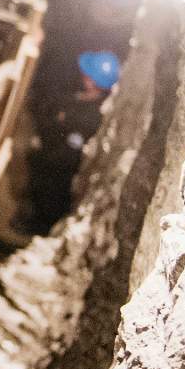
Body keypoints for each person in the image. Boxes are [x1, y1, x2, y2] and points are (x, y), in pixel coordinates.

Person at [21, 50, 120, 233]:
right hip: (51, 155)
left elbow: (68, 151)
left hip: (58, 168)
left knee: (48, 194)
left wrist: (44, 153)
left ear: (94, 81)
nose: (83, 75)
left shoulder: (92, 115)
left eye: (88, 74)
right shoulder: (80, 99)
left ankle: (38, 226)